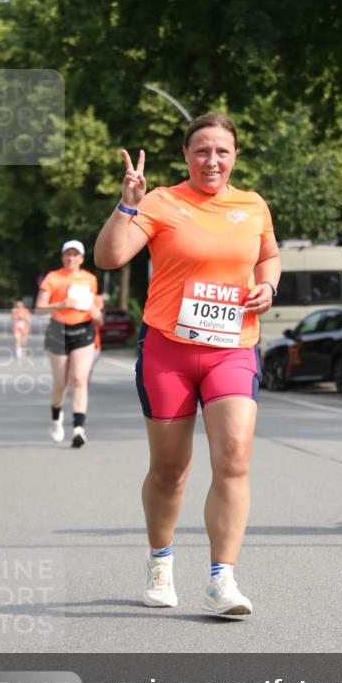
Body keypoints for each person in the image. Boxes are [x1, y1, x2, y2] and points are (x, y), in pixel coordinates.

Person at [94, 113, 280, 617]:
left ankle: (223, 579)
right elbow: (110, 257)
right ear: (186, 156)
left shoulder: (252, 204)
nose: (212, 160)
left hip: (232, 347)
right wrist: (127, 205)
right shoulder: (161, 202)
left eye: (221, 151)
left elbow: (268, 257)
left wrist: (269, 285)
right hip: (168, 350)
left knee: (235, 458)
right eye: (202, 151)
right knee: (170, 469)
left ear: (235, 155)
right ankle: (160, 558)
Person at [35, 241, 101, 448]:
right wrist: (61, 304)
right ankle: (56, 420)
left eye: (76, 255)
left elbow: (95, 307)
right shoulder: (53, 278)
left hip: (83, 330)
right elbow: (39, 309)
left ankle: (79, 429)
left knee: (80, 380)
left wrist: (95, 312)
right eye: (68, 254)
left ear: (82, 258)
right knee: (61, 383)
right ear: (62, 257)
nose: (71, 258)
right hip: (58, 330)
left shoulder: (90, 279)